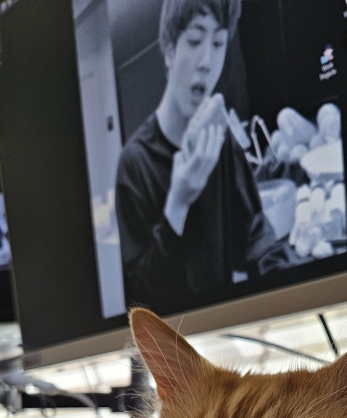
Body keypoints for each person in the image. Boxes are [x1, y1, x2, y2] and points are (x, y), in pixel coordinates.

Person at [115, 0, 290, 313]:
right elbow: (140, 302)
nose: (207, 61)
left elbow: (255, 235)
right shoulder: (135, 163)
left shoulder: (221, 142)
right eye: (195, 41)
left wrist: (292, 286)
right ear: (169, 50)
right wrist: (178, 203)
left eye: (219, 43)